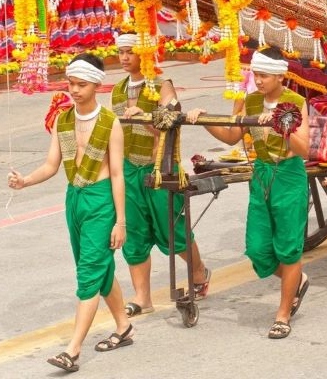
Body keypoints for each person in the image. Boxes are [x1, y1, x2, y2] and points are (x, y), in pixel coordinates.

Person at [7, 53, 132, 373]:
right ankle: (123, 327)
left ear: (96, 85)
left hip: (101, 202)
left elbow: (118, 174)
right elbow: (51, 164)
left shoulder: (110, 123)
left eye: (81, 84)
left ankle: (72, 350)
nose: (74, 90)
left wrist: (121, 221)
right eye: (71, 84)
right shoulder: (63, 120)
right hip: (74, 200)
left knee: (89, 273)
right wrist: (25, 181)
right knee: (98, 268)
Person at [186, 47, 311, 339]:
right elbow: (232, 135)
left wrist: (282, 127)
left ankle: (282, 314)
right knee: (257, 251)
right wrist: (203, 119)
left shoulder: (296, 102)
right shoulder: (251, 100)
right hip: (262, 175)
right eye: (256, 73)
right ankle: (297, 281)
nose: (259, 79)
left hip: (289, 177)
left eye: (265, 75)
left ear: (281, 76)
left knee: (289, 249)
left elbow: (303, 150)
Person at [111, 34, 211, 318]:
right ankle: (143, 298)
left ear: (145, 53)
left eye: (130, 51)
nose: (125, 57)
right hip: (129, 169)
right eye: (121, 52)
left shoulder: (162, 86)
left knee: (174, 231)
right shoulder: (117, 90)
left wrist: (145, 116)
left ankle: (200, 272)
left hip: (160, 167)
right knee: (134, 234)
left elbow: (170, 127)